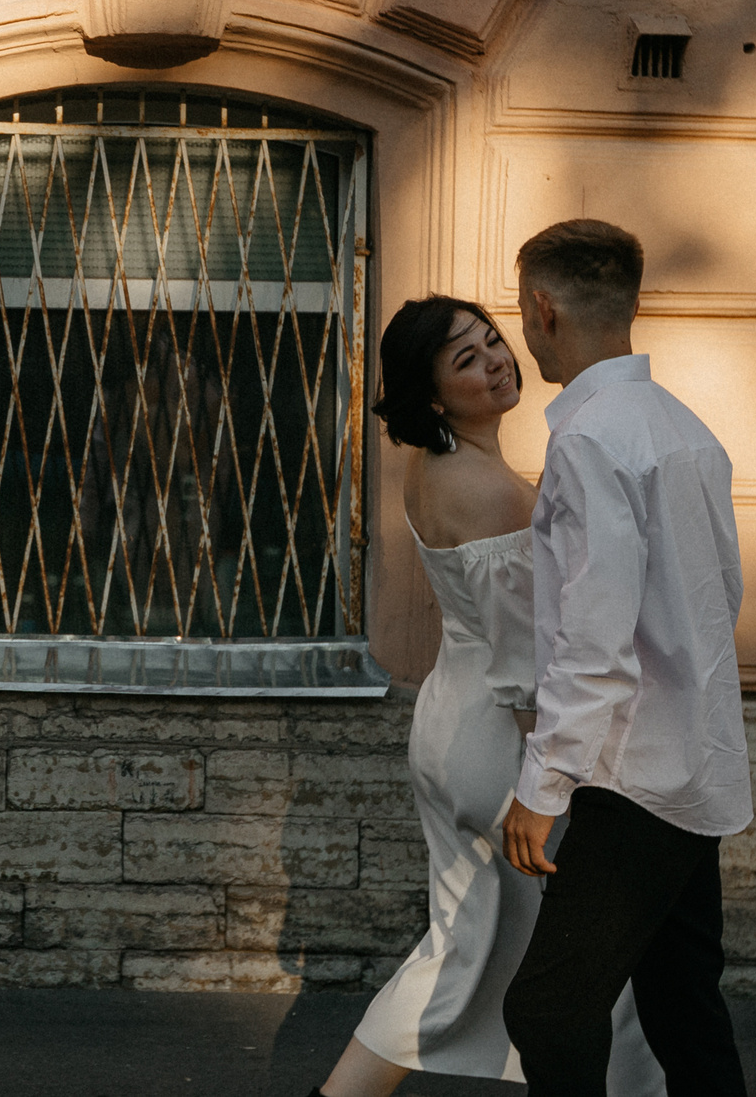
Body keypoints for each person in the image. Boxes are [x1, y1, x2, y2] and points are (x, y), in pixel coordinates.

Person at [313, 296, 664, 1097]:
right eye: (466, 360)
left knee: (464, 946)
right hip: (501, 741)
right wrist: (556, 775)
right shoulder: (486, 490)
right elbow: (523, 659)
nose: (497, 361)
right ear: (434, 397)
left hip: (453, 722)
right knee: (587, 953)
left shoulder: (433, 464)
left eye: (492, 341)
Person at [498, 220, 752, 1097]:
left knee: (548, 1009)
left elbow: (593, 641)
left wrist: (542, 786)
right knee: (683, 1009)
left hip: (632, 774)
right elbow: (722, 594)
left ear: (543, 307)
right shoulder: (686, 428)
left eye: (520, 309)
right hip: (692, 764)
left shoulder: (588, 438)